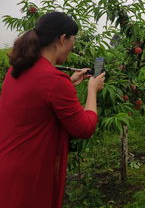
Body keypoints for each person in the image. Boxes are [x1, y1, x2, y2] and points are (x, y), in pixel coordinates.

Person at [0, 11, 105, 208]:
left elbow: (39, 102)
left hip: (8, 166)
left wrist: (69, 83)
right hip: (30, 175)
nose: (73, 47)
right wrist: (92, 90)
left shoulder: (16, 70)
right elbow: (84, 128)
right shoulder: (53, 80)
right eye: (73, 40)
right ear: (62, 38)